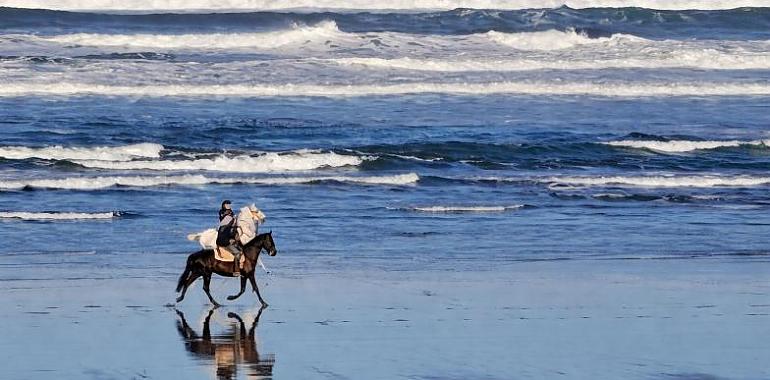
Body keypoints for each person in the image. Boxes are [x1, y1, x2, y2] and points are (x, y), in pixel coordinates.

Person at [216, 200, 242, 275]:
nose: (229, 205)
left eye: (229, 204)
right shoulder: (226, 216)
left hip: (225, 238)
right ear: (224, 205)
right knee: (237, 253)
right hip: (224, 241)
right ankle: (236, 271)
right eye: (227, 204)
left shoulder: (229, 215)